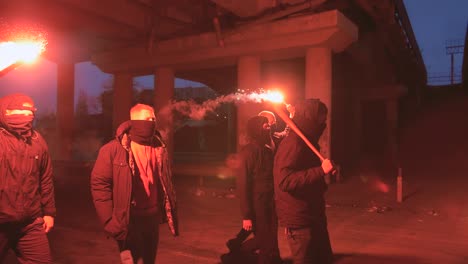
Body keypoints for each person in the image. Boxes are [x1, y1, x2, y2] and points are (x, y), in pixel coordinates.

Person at [91, 103, 178, 264]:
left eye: (154, 118)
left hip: (152, 218)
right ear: (135, 121)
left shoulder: (159, 147)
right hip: (129, 219)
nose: (152, 121)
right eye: (148, 119)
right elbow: (99, 185)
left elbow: (165, 180)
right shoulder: (113, 150)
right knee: (131, 261)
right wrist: (109, 221)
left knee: (149, 260)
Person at [274, 98, 334, 264]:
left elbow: (307, 175)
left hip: (313, 216)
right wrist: (320, 170)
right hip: (300, 221)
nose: (324, 122)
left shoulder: (307, 142)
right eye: (321, 118)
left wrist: (324, 175)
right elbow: (285, 181)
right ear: (311, 118)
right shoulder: (293, 143)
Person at [0, 93, 55, 263]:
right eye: (14, 112)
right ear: (3, 113)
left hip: (30, 223)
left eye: (27, 113)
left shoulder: (38, 141)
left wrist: (49, 213)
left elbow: (45, 178)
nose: (22, 118)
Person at [222, 116, 281, 264]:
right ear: (256, 129)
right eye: (264, 125)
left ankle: (271, 259)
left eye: (268, 125)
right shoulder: (247, 152)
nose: (268, 127)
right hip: (257, 202)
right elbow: (242, 185)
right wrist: (247, 215)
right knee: (265, 240)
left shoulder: (268, 149)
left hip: (270, 201)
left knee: (272, 237)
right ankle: (238, 250)